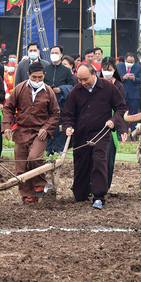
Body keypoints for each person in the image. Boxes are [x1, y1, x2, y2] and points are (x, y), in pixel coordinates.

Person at [61, 63, 127, 210]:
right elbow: (67, 114)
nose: (83, 83)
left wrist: (114, 121)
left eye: (85, 79)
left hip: (101, 133)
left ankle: (99, 196)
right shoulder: (76, 91)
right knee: (81, 163)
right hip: (81, 134)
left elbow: (121, 107)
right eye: (80, 80)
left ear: (94, 74)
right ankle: (81, 194)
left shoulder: (108, 88)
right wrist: (68, 127)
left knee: (99, 160)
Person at [2, 62, 60, 202]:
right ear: (28, 75)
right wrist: (7, 126)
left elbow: (55, 113)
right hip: (21, 131)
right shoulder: (20, 89)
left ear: (44, 75)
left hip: (39, 132)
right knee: (21, 166)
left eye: (40, 77)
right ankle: (28, 195)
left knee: (34, 158)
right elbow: (9, 107)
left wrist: (46, 128)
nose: (37, 80)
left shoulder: (48, 92)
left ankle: (40, 185)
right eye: (34, 77)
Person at [101, 57, 127, 189]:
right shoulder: (97, 83)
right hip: (96, 122)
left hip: (111, 125)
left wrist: (123, 129)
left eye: (109, 70)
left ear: (114, 70)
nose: (106, 72)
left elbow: (120, 109)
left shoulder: (118, 86)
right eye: (104, 70)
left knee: (107, 158)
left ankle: (104, 186)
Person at [44, 45, 75, 155]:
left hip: (61, 101)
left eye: (56, 53)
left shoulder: (66, 70)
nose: (54, 55)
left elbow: (72, 85)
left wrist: (61, 89)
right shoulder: (46, 69)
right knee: (48, 123)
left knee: (60, 124)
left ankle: (59, 147)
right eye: (52, 52)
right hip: (48, 101)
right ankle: (48, 148)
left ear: (61, 55)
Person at [116, 52, 141, 139]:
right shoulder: (119, 66)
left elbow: (140, 79)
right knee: (121, 113)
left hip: (133, 94)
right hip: (121, 93)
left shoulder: (138, 67)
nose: (130, 64)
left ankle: (133, 134)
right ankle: (121, 133)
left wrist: (134, 78)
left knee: (133, 115)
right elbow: (115, 79)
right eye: (129, 62)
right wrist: (123, 77)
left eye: (132, 62)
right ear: (125, 60)